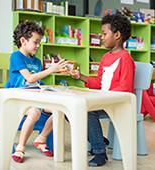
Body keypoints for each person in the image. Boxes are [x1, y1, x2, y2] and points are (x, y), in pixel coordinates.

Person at [65, 14, 136, 166]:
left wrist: (102, 97)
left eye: (104, 34)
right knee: (70, 110)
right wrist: (81, 77)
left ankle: (100, 152)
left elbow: (125, 87)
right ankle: (98, 139)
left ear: (117, 35)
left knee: (87, 111)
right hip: (104, 101)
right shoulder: (105, 57)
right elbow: (99, 82)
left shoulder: (125, 58)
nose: (101, 37)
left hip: (120, 104)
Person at [10, 20, 68, 163]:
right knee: (35, 111)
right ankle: (21, 147)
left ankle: (41, 138)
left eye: (39, 42)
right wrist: (50, 70)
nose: (38, 46)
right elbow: (29, 78)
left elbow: (37, 82)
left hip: (36, 98)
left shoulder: (36, 61)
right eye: (35, 42)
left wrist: (51, 89)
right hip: (20, 99)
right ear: (23, 41)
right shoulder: (16, 57)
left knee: (60, 109)